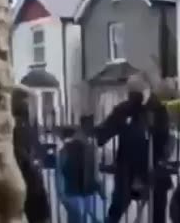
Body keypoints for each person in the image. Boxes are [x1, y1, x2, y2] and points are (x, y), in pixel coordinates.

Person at [94, 73, 172, 223]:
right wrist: (96, 135)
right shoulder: (124, 109)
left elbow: (164, 139)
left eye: (136, 91)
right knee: (117, 207)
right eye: (131, 92)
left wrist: (162, 157)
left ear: (146, 90)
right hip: (127, 168)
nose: (133, 96)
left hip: (153, 167)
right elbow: (105, 131)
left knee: (158, 206)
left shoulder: (158, 110)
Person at [12, 86, 50, 223]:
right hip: (29, 183)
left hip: (33, 182)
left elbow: (35, 149)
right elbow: (22, 154)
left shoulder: (26, 125)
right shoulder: (17, 126)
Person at [56, 126, 105, 223]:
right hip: (89, 191)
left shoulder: (64, 151)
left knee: (76, 218)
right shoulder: (91, 150)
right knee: (96, 216)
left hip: (71, 191)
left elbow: (59, 173)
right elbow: (96, 174)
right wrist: (101, 191)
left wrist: (61, 194)